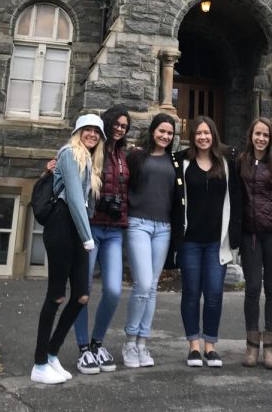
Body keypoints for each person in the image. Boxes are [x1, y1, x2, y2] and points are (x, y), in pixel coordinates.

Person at [31, 113, 105, 385]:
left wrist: (84, 234)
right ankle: (39, 363)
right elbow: (73, 197)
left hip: (77, 228)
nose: (92, 135)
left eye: (97, 132)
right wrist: (88, 237)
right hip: (63, 225)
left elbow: (85, 202)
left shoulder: (90, 161)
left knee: (82, 296)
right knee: (57, 295)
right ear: (78, 132)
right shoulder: (68, 153)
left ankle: (51, 354)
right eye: (87, 130)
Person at [172, 115, 241, 368]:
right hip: (190, 241)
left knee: (213, 294)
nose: (203, 137)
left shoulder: (227, 162)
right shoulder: (182, 162)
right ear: (193, 136)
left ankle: (210, 346)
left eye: (207, 133)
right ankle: (193, 346)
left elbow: (238, 196)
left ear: (214, 135)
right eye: (198, 133)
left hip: (216, 242)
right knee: (191, 293)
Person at [122, 112, 183, 368]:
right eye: (162, 131)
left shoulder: (175, 161)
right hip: (138, 224)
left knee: (152, 286)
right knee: (143, 283)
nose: (165, 136)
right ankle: (129, 340)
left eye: (170, 133)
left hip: (164, 228)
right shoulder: (136, 155)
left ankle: (142, 343)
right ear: (153, 130)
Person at [74, 104, 131, 374]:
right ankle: (84, 348)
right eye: (116, 124)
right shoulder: (92, 148)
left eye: (124, 126)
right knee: (82, 290)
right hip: (92, 227)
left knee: (113, 290)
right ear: (106, 123)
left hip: (115, 230)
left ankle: (98, 342)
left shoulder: (125, 155)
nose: (119, 129)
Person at [238, 117, 272, 370]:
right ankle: (251, 345)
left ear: (271, 139)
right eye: (257, 134)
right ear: (251, 135)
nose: (261, 139)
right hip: (249, 235)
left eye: (266, 135)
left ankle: (270, 347)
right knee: (252, 287)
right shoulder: (242, 161)